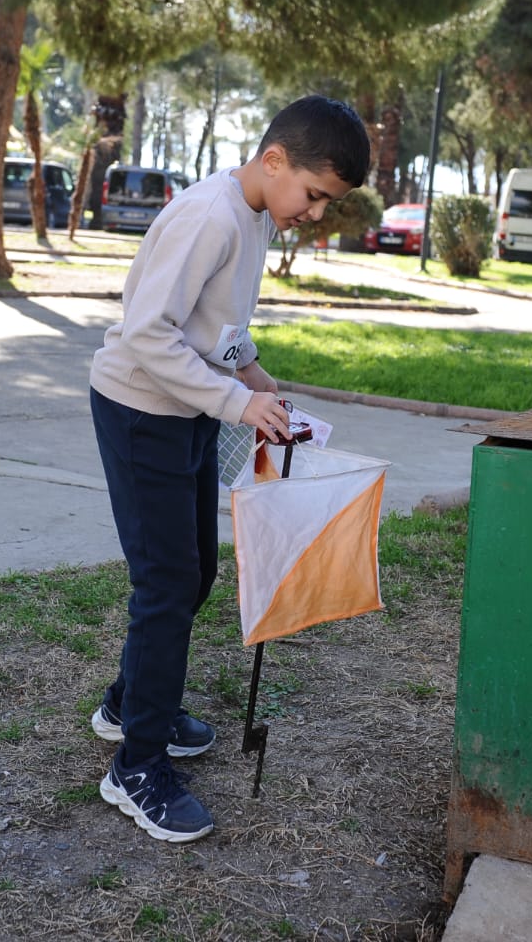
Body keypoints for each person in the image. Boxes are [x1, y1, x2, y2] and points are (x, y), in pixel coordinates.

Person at [87, 95, 372, 843]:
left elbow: (220, 328)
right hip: (140, 410)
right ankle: (136, 767)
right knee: (166, 582)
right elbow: (149, 333)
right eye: (313, 195)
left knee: (197, 572)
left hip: (188, 411)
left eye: (327, 203)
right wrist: (235, 405)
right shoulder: (210, 214)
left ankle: (127, 704)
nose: (313, 213)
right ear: (275, 160)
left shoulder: (252, 216)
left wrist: (256, 380)